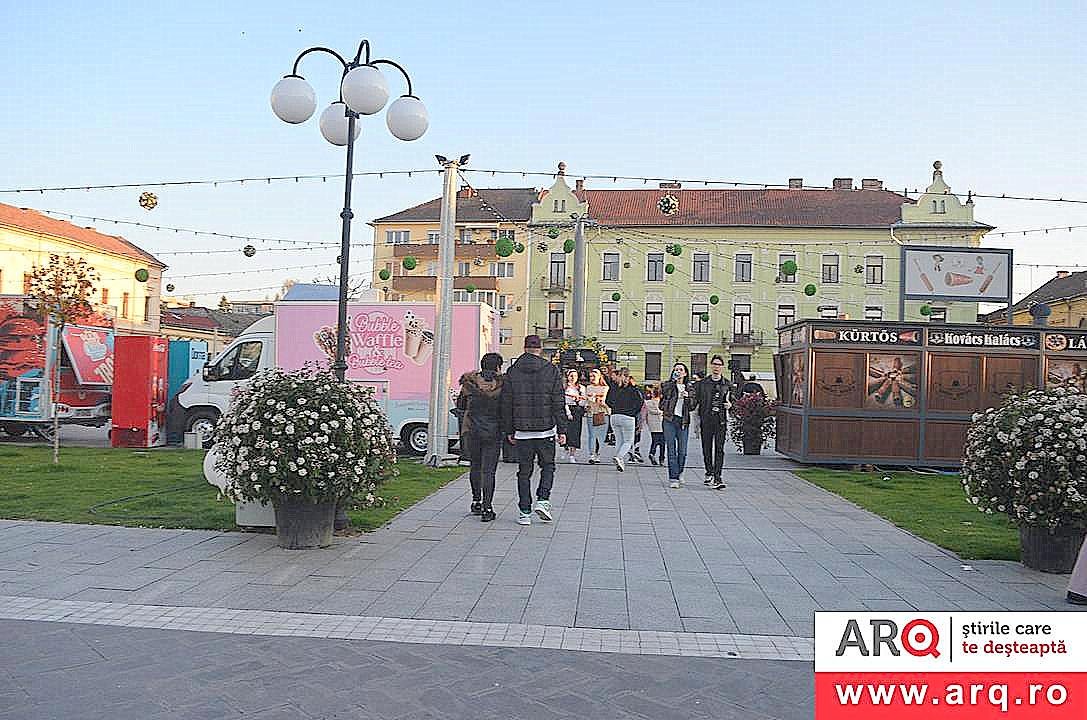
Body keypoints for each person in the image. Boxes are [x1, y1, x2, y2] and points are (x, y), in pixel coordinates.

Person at [502, 335, 566, 526]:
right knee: (548, 466)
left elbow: (507, 403)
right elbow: (558, 401)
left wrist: (509, 430)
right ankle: (543, 500)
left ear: (524, 348)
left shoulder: (512, 371)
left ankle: (524, 512)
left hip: (522, 431)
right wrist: (562, 429)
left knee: (524, 471)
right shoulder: (551, 370)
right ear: (540, 349)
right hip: (546, 430)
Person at [455, 353, 505, 522]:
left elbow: (460, 405)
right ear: (498, 367)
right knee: (489, 471)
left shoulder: (469, 383)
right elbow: (506, 409)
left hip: (472, 431)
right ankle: (487, 508)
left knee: (475, 466)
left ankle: (476, 501)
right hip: (493, 432)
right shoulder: (502, 385)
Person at [692, 355, 732, 490]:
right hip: (706, 419)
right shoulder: (702, 384)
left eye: (719, 364)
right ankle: (709, 471)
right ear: (711, 365)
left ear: (722, 367)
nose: (716, 367)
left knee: (719, 449)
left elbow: (733, 401)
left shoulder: (727, 384)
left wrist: (730, 405)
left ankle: (717, 476)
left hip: (720, 421)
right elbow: (695, 402)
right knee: (706, 448)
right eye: (714, 364)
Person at [659, 363, 693, 488]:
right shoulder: (668, 385)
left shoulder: (690, 387)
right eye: (676, 369)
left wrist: (687, 397)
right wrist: (673, 382)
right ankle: (673, 478)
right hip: (669, 419)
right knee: (671, 450)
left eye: (681, 370)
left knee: (682, 451)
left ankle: (679, 472)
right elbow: (663, 398)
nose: (678, 371)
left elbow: (693, 406)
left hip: (683, 421)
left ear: (685, 373)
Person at [604, 367, 644, 472]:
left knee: (619, 440)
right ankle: (619, 457)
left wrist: (615, 407)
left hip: (614, 416)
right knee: (628, 441)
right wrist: (633, 412)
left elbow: (607, 401)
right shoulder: (633, 389)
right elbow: (640, 403)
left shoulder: (614, 388)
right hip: (628, 417)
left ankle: (620, 463)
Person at [584, 367, 610, 464]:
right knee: (592, 435)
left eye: (594, 376)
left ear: (599, 376)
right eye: (590, 376)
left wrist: (595, 399)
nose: (592, 378)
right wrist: (586, 405)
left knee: (601, 436)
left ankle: (598, 454)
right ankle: (591, 454)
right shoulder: (588, 387)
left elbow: (603, 400)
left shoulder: (605, 388)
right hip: (591, 413)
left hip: (602, 413)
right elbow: (587, 400)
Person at [562, 369, 586, 463]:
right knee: (566, 431)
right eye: (571, 376)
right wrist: (568, 412)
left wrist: (579, 401)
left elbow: (584, 401)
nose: (573, 378)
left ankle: (572, 454)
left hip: (577, 410)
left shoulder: (581, 388)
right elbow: (563, 401)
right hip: (567, 409)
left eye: (575, 376)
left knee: (575, 433)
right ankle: (566, 448)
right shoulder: (564, 387)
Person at [644, 385, 665, 467]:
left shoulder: (648, 403)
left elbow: (646, 414)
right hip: (662, 424)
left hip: (653, 425)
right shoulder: (662, 403)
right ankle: (661, 459)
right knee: (662, 442)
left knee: (655, 440)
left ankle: (652, 453)